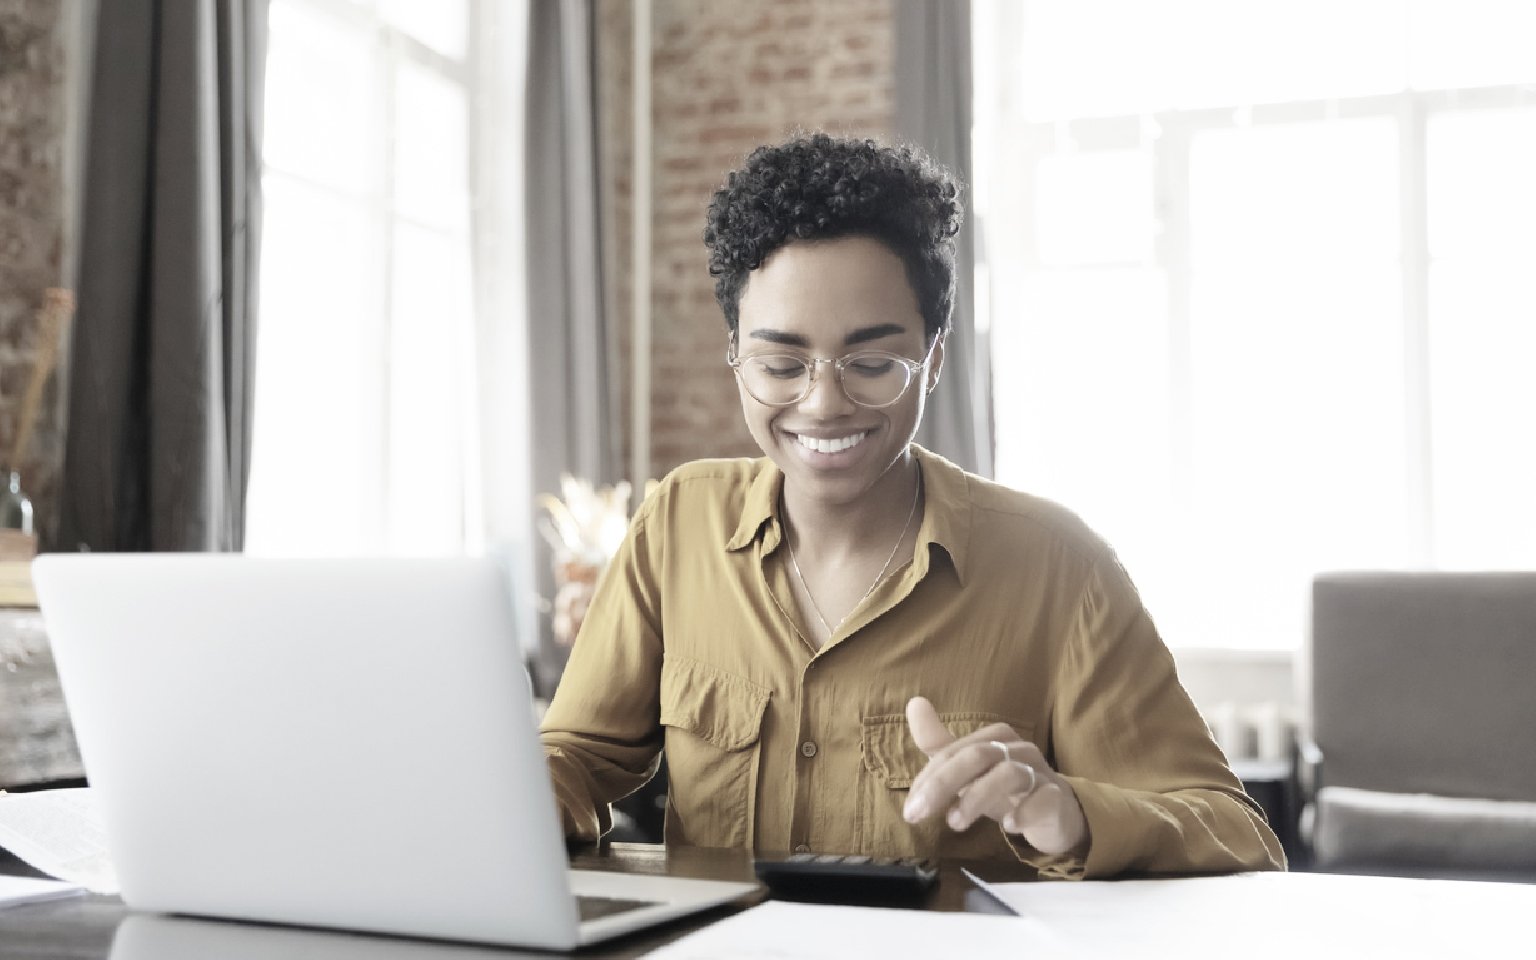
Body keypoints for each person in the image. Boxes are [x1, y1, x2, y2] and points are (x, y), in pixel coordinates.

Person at [539, 132, 1284, 878]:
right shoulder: (678, 524)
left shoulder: (1059, 567)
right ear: (735, 355)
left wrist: (1071, 813)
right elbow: (575, 756)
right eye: (780, 364)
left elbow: (1240, 838)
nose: (823, 403)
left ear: (933, 359)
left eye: (871, 363)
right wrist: (527, 790)